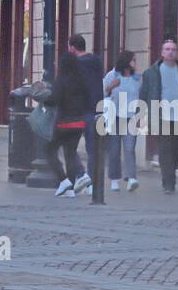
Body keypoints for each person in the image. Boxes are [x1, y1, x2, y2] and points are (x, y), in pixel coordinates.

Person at [138, 37, 178, 194]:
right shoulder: (151, 72)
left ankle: (171, 170)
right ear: (162, 52)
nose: (171, 52)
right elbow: (144, 95)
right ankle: (168, 184)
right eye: (167, 49)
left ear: (177, 52)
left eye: (173, 50)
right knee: (165, 150)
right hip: (161, 116)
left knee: (177, 148)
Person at [51, 36, 97, 198]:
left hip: (69, 118)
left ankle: (72, 180)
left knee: (56, 150)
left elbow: (56, 97)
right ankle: (77, 187)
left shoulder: (67, 75)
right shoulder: (89, 71)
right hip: (87, 116)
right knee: (79, 151)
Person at [67, 34, 104, 194]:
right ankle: (91, 183)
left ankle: (81, 175)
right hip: (96, 110)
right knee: (93, 149)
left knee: (68, 146)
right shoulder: (96, 62)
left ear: (72, 48)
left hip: (77, 110)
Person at [103, 50, 142, 192]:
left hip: (131, 117)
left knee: (130, 148)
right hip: (114, 117)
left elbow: (140, 98)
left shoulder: (137, 79)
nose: (135, 63)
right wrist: (110, 87)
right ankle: (115, 179)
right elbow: (103, 93)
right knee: (114, 150)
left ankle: (131, 178)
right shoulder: (112, 75)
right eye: (133, 60)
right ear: (126, 62)